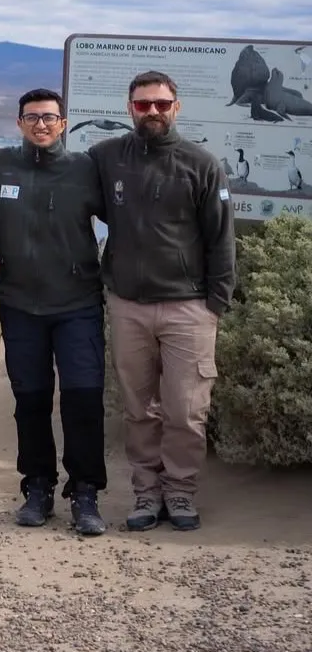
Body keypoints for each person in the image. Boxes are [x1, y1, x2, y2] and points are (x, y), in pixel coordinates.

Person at [89, 70, 235, 531]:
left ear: (177, 107)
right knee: (139, 409)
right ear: (129, 108)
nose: (152, 111)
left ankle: (181, 492)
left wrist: (215, 303)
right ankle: (147, 495)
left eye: (161, 104)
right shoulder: (106, 157)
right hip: (128, 304)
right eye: (142, 104)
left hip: (188, 307)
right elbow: (56, 181)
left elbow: (221, 239)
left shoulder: (202, 164)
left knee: (186, 410)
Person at [0, 89, 109, 535]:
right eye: (32, 117)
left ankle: (86, 491)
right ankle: (37, 486)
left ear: (64, 123)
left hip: (78, 305)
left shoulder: (86, 169)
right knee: (29, 402)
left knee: (83, 401)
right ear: (19, 123)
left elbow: (129, 218)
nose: (41, 125)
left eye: (50, 117)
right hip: (19, 304)